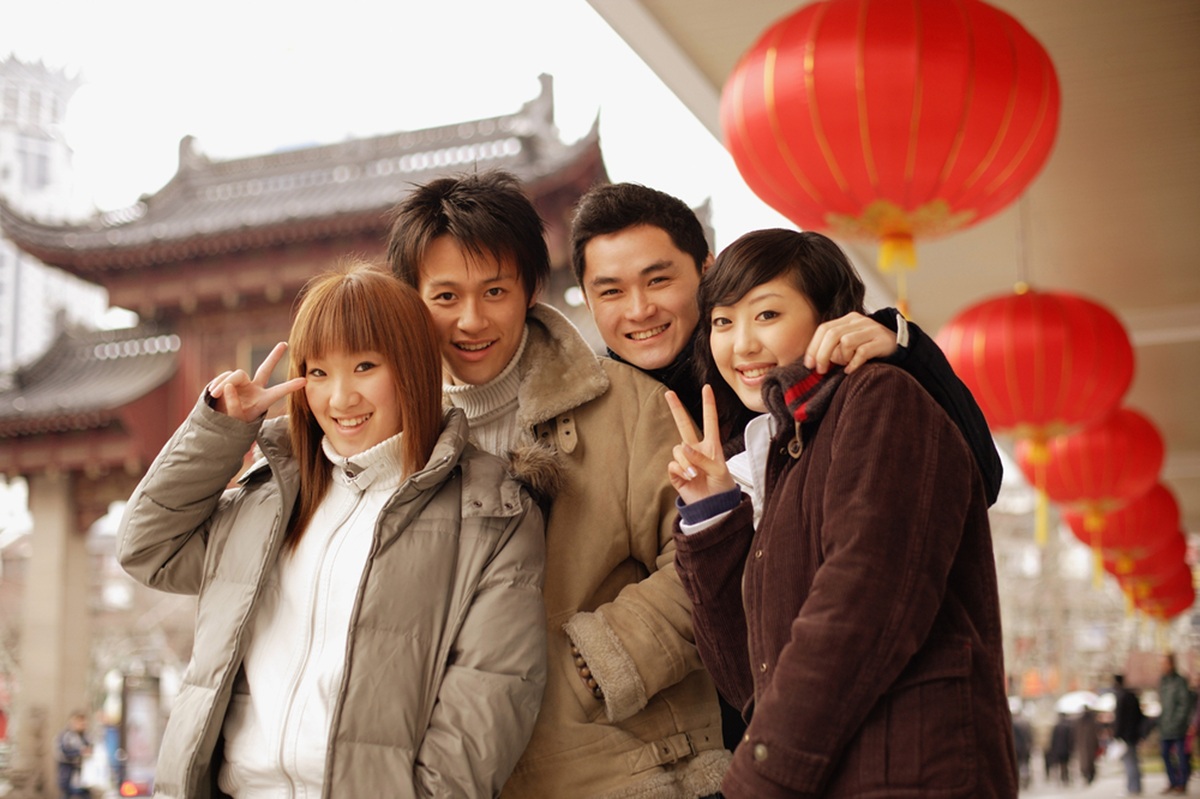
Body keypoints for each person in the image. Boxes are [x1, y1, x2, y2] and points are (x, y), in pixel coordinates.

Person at [118, 263, 547, 798]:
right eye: (318, 373)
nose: (340, 399)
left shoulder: (491, 513)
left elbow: (491, 697)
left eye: (365, 366)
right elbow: (147, 548)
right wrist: (219, 430)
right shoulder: (267, 499)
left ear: (412, 367)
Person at [386, 171, 729, 798]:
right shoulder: (384, 432)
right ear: (410, 298)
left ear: (529, 290)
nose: (471, 320)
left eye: (494, 290)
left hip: (628, 768)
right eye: (445, 297)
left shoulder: (629, 405)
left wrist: (594, 663)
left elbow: (708, 560)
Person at [664, 228, 1017, 797]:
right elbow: (748, 677)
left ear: (832, 319)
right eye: (723, 322)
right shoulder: (783, 453)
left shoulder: (880, 399)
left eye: (767, 314)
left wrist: (756, 779)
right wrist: (713, 513)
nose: (741, 345)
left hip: (908, 772)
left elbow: (863, 605)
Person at [569, 181, 1003, 506]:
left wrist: (907, 352)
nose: (640, 309)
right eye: (611, 292)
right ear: (587, 300)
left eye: (658, 280)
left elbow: (978, 479)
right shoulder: (585, 413)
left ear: (707, 270)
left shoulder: (787, 376)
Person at [1159, 653, 1194, 794]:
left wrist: (1179, 722)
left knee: (1181, 756)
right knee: (1165, 754)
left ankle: (1182, 783)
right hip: (1165, 726)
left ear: (1172, 664)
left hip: (1178, 727)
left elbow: (1185, 704)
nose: (1162, 666)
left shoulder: (1180, 681)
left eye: (1165, 663)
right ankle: (1173, 782)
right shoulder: (1163, 681)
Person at [1115, 673, 1145, 795]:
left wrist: (1117, 735)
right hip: (1134, 734)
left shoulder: (1121, 697)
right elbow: (1140, 716)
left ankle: (1132, 788)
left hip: (1126, 736)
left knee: (1129, 762)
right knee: (1133, 761)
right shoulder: (1132, 697)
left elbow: (1119, 719)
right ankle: (1136, 786)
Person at [54, 711, 91, 799]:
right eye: (79, 722)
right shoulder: (66, 736)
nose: (82, 725)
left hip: (82, 775)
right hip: (68, 773)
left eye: (83, 722)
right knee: (67, 794)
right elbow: (64, 752)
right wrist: (80, 752)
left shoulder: (86, 736)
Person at [1045, 712, 1074, 785]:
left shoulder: (1057, 726)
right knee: (1065, 764)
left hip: (1058, 748)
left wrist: (1052, 748)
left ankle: (1061, 778)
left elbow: (1053, 739)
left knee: (1059, 764)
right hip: (1066, 748)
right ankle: (1065, 777)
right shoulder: (1068, 726)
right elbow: (1071, 739)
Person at [1076, 704, 1100, 785]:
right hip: (1088, 744)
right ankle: (1088, 775)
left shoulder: (1083, 721)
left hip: (1086, 744)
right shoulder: (1090, 720)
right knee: (1088, 761)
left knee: (1086, 761)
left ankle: (1088, 775)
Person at [1011, 710, 1034, 790]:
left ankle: (1021, 779)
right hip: (1025, 747)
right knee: (1025, 764)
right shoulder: (1026, 724)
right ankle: (1025, 778)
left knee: (1019, 764)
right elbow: (1030, 736)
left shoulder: (1014, 724)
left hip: (1017, 748)